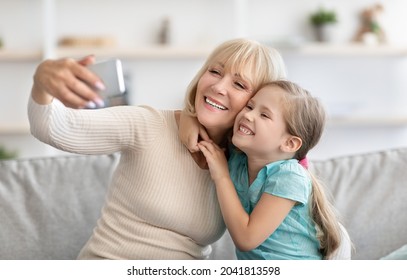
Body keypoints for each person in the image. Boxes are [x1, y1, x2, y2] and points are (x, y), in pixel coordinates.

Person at [27, 38, 287, 259]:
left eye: (239, 85)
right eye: (215, 71)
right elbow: (52, 127)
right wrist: (42, 81)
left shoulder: (244, 167)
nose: (218, 87)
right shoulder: (149, 124)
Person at [196, 80, 342, 259]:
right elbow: (200, 122)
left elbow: (246, 238)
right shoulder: (238, 159)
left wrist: (221, 176)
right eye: (249, 106)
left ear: (289, 143)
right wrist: (187, 121)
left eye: (264, 115)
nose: (248, 115)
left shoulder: (289, 176)